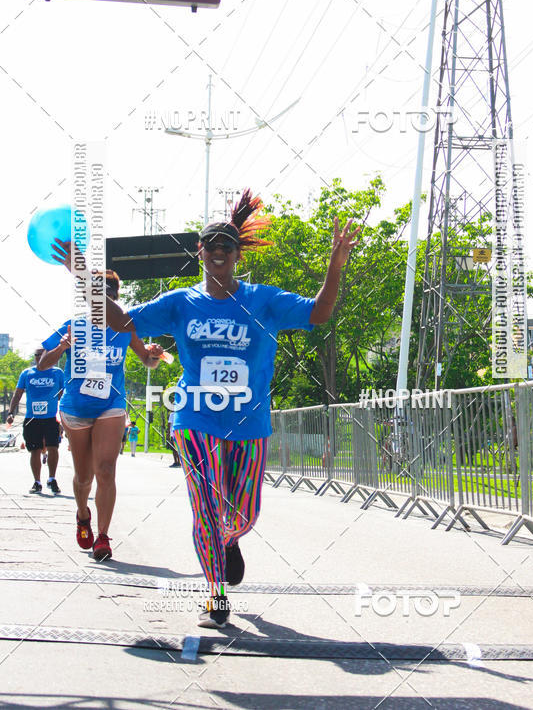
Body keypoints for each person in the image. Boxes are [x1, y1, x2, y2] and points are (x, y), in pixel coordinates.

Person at [52, 189, 359, 626]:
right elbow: (120, 320)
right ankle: (215, 594)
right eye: (211, 246)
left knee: (242, 514)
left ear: (237, 256)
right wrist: (81, 273)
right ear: (200, 252)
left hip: (249, 424)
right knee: (206, 508)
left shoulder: (263, 300)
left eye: (226, 247)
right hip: (194, 420)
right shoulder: (180, 303)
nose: (218, 252)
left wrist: (335, 266)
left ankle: (229, 540)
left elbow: (320, 313)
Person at [37, 270, 165, 561]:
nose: (103, 299)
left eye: (109, 294)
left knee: (105, 470)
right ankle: (83, 514)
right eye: (98, 293)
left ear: (114, 298)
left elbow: (147, 360)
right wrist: (62, 346)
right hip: (77, 407)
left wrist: (154, 355)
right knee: (84, 477)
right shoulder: (73, 325)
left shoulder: (125, 328)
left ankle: (103, 536)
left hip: (112, 405)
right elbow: (43, 364)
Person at [9, 348, 64, 495]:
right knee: (35, 450)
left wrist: (65, 415)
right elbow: (18, 393)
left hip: (52, 417)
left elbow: (64, 394)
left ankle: (52, 479)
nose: (39, 357)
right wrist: (10, 412)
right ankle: (37, 482)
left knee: (53, 448)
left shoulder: (57, 373)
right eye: (36, 355)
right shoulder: (27, 373)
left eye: (42, 355)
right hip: (32, 418)